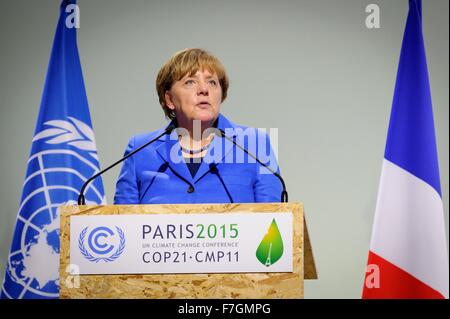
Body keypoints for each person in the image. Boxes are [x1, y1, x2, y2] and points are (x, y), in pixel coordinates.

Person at [114, 48, 282, 204]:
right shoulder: (141, 149)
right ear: (169, 100)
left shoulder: (254, 145)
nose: (204, 89)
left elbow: (276, 219)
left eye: (212, 82)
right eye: (190, 82)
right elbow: (121, 222)